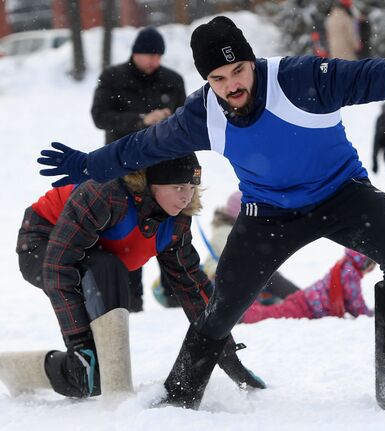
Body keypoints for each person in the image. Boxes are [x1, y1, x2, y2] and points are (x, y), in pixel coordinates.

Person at [37, 16, 385, 412]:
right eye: (218, 77)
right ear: (206, 80)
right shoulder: (201, 113)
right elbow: (144, 147)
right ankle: (178, 397)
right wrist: (89, 165)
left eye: (238, 70)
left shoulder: (302, 78)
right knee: (220, 308)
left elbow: (369, 76)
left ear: (253, 62)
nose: (232, 84)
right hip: (268, 212)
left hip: (344, 195)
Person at [0, 155, 264, 400]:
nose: (186, 197)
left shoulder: (176, 221)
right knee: (106, 273)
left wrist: (227, 355)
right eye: (178, 187)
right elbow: (58, 266)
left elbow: (193, 286)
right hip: (43, 244)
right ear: (151, 183)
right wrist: (80, 343)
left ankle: (9, 369)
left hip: (96, 261)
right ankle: (119, 400)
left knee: (90, 380)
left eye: (192, 187)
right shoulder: (106, 194)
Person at [91, 26, 187, 312]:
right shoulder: (112, 77)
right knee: (127, 229)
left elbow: (185, 120)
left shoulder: (172, 80)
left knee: (168, 227)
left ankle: (174, 295)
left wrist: (166, 122)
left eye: (157, 56)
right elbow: (100, 117)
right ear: (135, 52)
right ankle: (131, 301)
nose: (153, 61)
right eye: (148, 55)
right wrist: (141, 120)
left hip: (164, 165)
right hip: (123, 164)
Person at [201, 190, 300, 305]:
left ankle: (297, 297)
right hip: (224, 278)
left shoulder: (236, 231)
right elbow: (232, 259)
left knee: (267, 274)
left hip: (234, 278)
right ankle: (301, 298)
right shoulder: (225, 233)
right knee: (268, 274)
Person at [241, 249, 374, 324]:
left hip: (307, 300)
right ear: (365, 264)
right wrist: (367, 315)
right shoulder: (350, 274)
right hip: (308, 306)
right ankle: (244, 313)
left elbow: (349, 301)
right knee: (275, 314)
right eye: (371, 269)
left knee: (277, 311)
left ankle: (246, 309)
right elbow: (355, 301)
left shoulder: (344, 266)